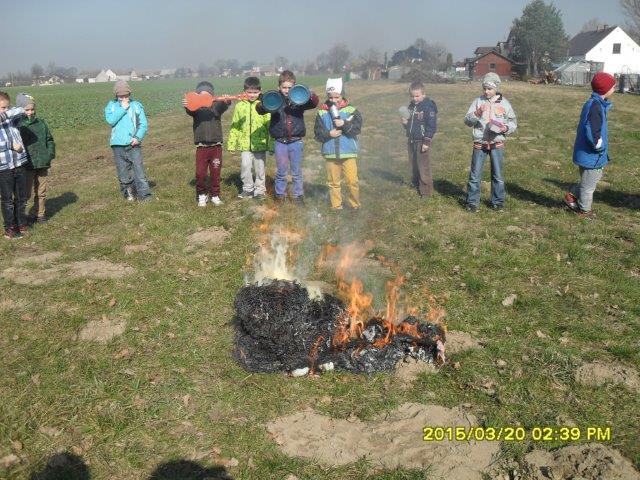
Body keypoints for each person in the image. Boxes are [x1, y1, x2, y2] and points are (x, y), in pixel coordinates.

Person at [256, 70, 318, 205]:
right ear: (279, 87)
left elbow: (313, 103)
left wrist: (309, 93)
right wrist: (263, 102)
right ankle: (280, 195)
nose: (286, 90)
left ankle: (298, 196)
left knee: (296, 172)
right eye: (284, 87)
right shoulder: (274, 100)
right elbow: (260, 110)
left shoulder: (299, 100)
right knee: (281, 171)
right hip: (280, 143)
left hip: (296, 142)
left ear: (294, 87)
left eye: (290, 87)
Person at [563, 72, 616, 219]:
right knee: (589, 186)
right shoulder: (595, 106)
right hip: (592, 154)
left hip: (591, 155)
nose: (614, 89)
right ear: (605, 89)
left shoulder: (596, 104)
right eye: (613, 87)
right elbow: (592, 130)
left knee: (590, 179)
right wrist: (599, 146)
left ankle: (571, 196)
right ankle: (584, 211)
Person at [463, 72, 517, 212]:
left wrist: (505, 128)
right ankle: (472, 202)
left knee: (497, 175)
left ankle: (497, 202)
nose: (486, 91)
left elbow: (513, 122)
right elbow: (467, 121)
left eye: (490, 89)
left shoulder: (504, 103)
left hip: (497, 145)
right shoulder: (478, 102)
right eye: (484, 88)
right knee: (475, 175)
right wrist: (477, 113)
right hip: (480, 144)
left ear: (496, 88)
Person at [314, 77, 363, 211]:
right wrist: (329, 134)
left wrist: (344, 124)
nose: (334, 100)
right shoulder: (322, 112)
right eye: (330, 97)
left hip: (348, 153)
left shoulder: (351, 110)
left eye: (337, 97)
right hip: (330, 154)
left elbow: (357, 128)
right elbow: (318, 134)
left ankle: (355, 204)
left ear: (343, 95)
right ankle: (336, 206)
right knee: (333, 182)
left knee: (352, 181)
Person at [182, 81, 230, 206]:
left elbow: (224, 105)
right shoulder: (196, 109)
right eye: (201, 94)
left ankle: (215, 195)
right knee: (200, 173)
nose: (204, 97)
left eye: (207, 94)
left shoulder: (216, 107)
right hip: (202, 148)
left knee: (215, 173)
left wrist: (226, 101)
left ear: (211, 95)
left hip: (216, 147)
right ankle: (202, 195)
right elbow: (190, 110)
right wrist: (187, 105)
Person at [104, 80, 152, 201]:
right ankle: (129, 195)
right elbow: (111, 121)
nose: (124, 98)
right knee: (123, 173)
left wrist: (138, 137)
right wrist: (123, 108)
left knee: (139, 172)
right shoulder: (111, 106)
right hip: (117, 145)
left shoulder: (136, 106)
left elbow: (143, 124)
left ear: (130, 94)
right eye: (121, 96)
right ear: (116, 95)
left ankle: (145, 196)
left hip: (133, 144)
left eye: (126, 95)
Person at [227, 76, 271, 201]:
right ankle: (247, 189)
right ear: (244, 91)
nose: (252, 95)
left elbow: (269, 125)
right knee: (245, 166)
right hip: (245, 145)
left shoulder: (264, 106)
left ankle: (260, 190)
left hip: (260, 144)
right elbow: (235, 126)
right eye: (249, 92)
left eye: (255, 92)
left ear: (260, 91)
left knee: (260, 169)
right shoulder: (240, 106)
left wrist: (272, 143)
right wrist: (231, 143)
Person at [16, 93, 55, 223]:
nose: (30, 112)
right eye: (27, 109)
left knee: (41, 191)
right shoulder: (19, 126)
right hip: (27, 164)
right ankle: (20, 216)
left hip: (43, 162)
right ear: (20, 109)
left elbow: (49, 139)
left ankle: (39, 214)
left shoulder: (41, 123)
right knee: (25, 193)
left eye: (32, 109)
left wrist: (50, 153)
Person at [401, 81, 437, 197]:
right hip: (412, 139)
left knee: (423, 166)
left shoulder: (428, 107)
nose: (414, 98)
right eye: (412, 96)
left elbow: (431, 126)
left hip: (422, 140)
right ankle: (416, 183)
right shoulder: (411, 106)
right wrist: (405, 123)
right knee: (413, 163)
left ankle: (426, 190)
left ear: (423, 94)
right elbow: (410, 124)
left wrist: (426, 141)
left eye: (417, 96)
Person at [0, 92, 28, 239]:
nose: (5, 110)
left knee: (21, 197)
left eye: (7, 107)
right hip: (4, 167)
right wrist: (11, 145)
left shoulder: (12, 120)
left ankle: (20, 223)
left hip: (19, 163)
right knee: (7, 200)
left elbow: (23, 112)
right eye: (2, 108)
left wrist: (23, 102)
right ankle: (10, 228)